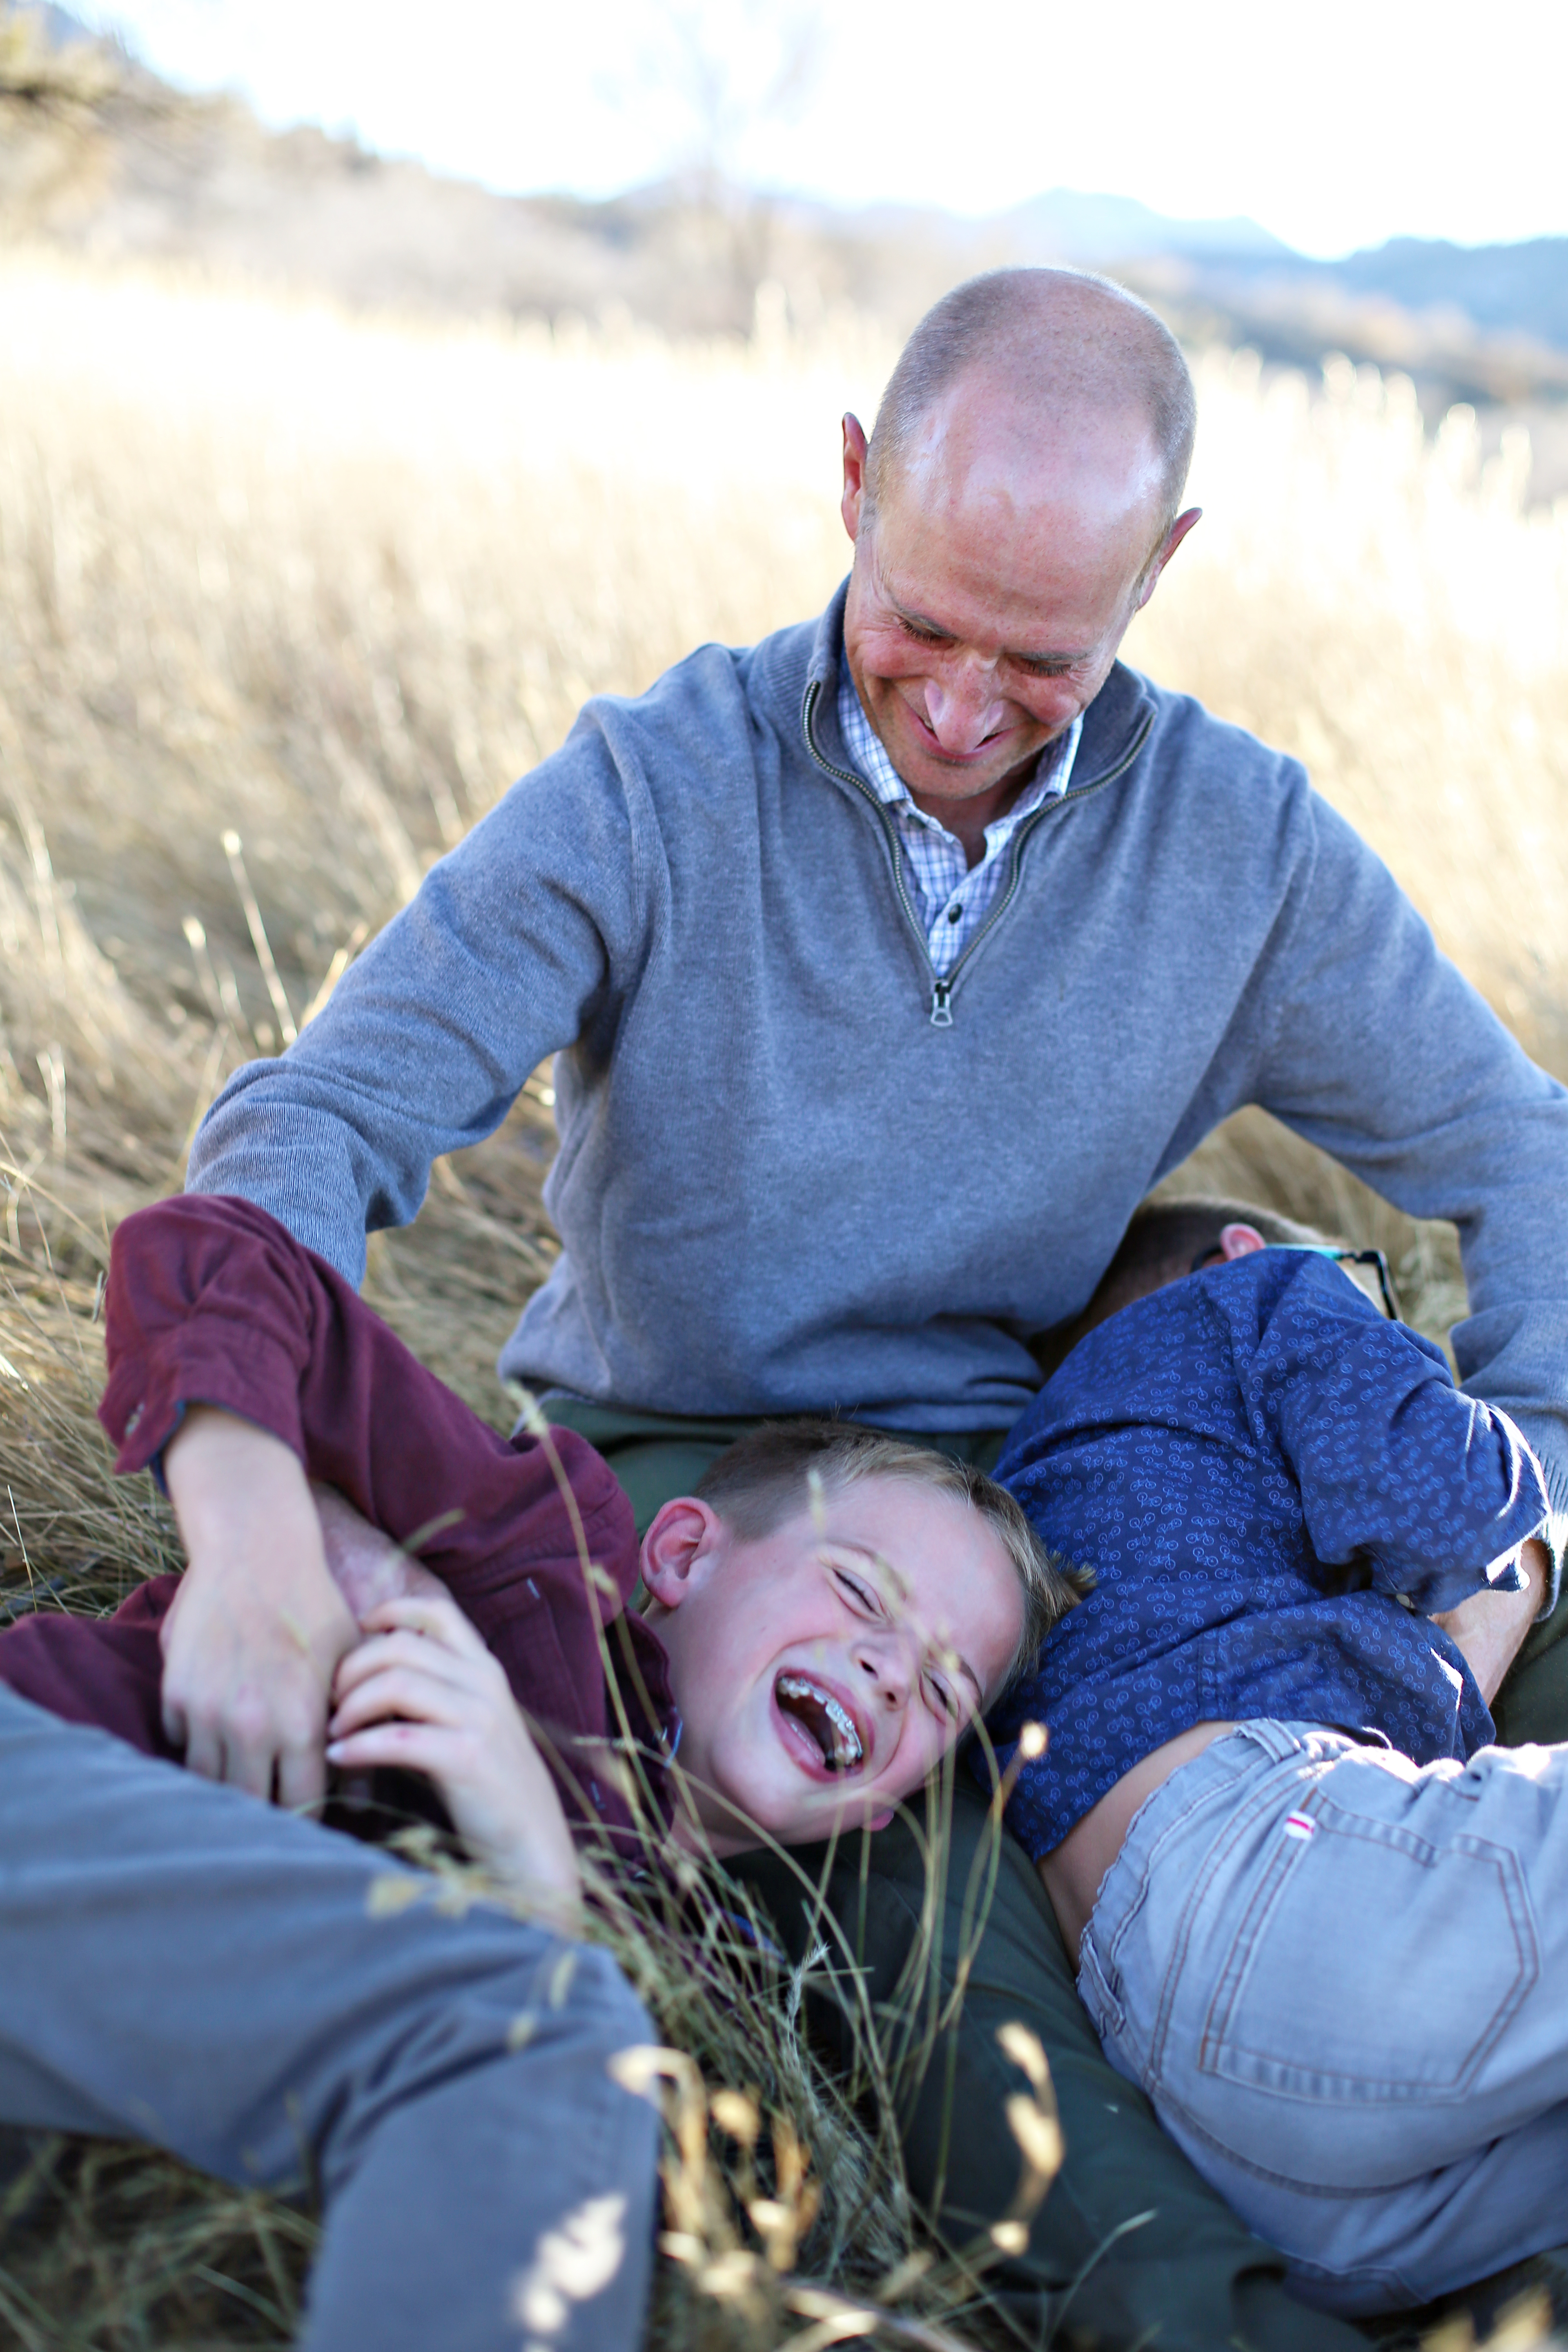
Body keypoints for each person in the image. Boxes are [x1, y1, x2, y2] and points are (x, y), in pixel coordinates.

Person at [167, 263, 1568, 2343]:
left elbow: (1515, 1146)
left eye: (1047, 656)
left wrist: (1527, 1475)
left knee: (1499, 1674)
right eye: (924, 622)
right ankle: (1228, 2319)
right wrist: (250, 1516)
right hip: (693, 1454)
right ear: (850, 483)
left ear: (1163, 568)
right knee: (932, 1927)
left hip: (1022, 1488)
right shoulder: (656, 786)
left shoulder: (1242, 850)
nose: (967, 706)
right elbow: (316, 1115)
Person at [985, 1196, 1559, 2315]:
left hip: (1236, 2150)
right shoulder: (1260, 1296)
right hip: (1283, 1884)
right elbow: (1461, 1508)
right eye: (1371, 1288)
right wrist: (1530, 1538)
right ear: (1245, 1252)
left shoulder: (1049, 1496)